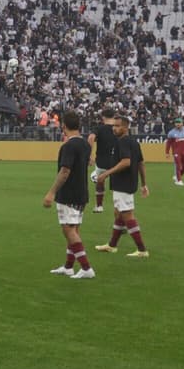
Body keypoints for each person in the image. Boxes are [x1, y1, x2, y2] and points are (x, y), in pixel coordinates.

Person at [43, 111, 95, 279]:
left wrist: (51, 192)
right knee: (74, 229)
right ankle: (68, 266)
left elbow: (65, 171)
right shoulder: (86, 145)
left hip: (69, 193)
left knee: (68, 230)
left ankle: (86, 268)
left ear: (64, 126)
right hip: (82, 192)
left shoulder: (68, 146)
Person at [94, 115, 150, 257]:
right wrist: (144, 184)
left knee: (127, 215)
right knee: (120, 213)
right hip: (129, 183)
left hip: (122, 184)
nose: (114, 128)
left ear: (125, 128)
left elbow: (126, 162)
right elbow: (140, 164)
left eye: (118, 126)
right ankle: (112, 245)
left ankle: (142, 249)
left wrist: (106, 173)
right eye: (114, 125)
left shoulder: (122, 142)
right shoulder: (134, 143)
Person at [87, 109, 118, 213]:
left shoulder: (99, 128)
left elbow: (91, 138)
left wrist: (90, 155)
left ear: (103, 117)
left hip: (102, 160)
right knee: (117, 186)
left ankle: (99, 206)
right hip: (116, 161)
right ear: (114, 117)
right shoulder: (118, 128)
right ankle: (118, 207)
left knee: (100, 182)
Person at [164, 117, 184, 186]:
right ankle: (179, 181)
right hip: (176, 152)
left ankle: (177, 176)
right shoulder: (171, 133)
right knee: (178, 166)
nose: (178, 124)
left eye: (179, 123)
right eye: (176, 123)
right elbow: (168, 143)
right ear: (175, 124)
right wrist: (167, 152)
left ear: (182, 123)